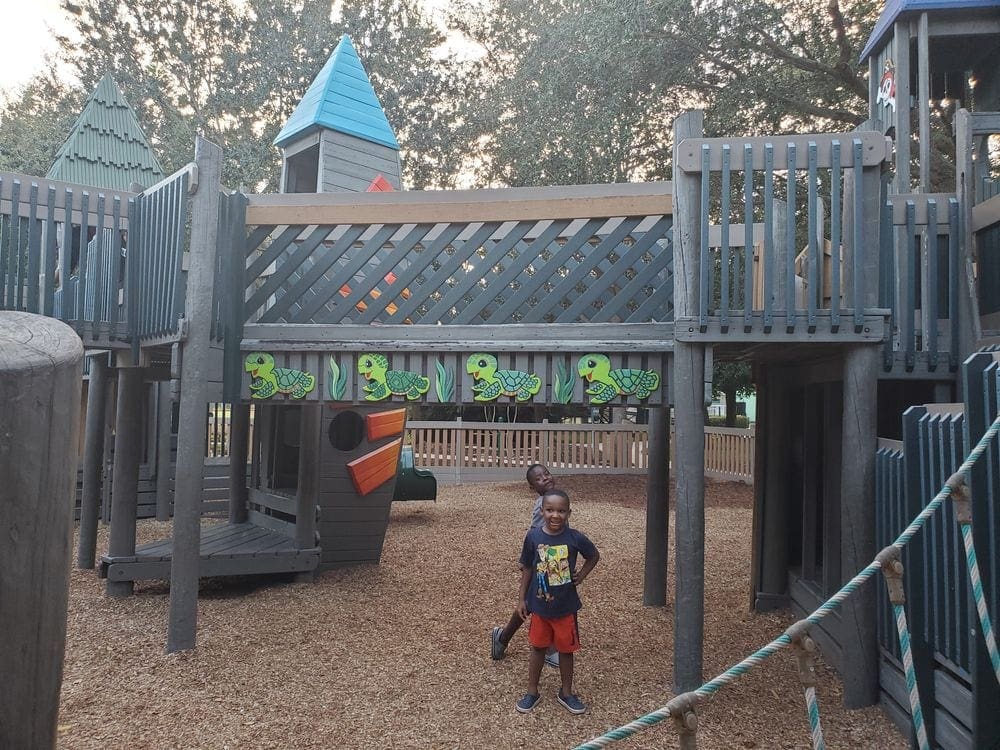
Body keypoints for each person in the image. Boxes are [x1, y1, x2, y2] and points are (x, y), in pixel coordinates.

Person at [514, 489, 599, 714]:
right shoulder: (533, 537)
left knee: (565, 649)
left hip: (565, 607)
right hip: (539, 606)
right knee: (538, 648)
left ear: (568, 513)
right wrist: (522, 599)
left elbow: (593, 555)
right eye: (550, 510)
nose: (555, 515)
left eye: (561, 511)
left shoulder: (574, 537)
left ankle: (566, 692)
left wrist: (581, 575)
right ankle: (532, 691)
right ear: (542, 511)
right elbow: (528, 568)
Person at [490, 464, 555, 662]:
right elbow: (534, 535)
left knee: (542, 601)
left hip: (554, 560)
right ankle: (548, 649)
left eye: (546, 474)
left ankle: (503, 638)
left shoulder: (556, 498)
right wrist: (527, 560)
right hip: (542, 561)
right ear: (532, 487)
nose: (544, 478)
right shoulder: (541, 504)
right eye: (538, 478)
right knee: (535, 602)